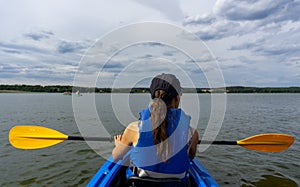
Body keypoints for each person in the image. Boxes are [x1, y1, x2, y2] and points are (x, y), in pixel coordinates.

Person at [112, 73, 199, 181]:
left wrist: (119, 145)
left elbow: (116, 156)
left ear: (153, 98)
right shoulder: (192, 133)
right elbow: (190, 157)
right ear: (177, 99)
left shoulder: (134, 129)